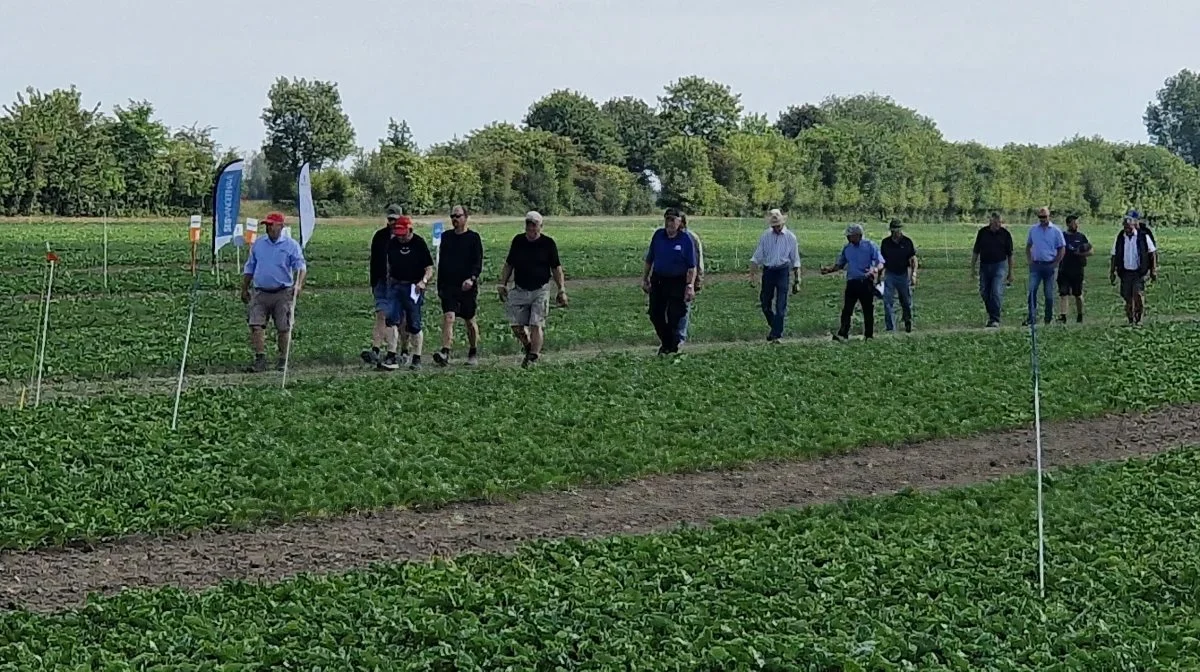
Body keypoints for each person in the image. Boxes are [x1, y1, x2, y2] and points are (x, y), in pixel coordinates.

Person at [497, 211, 568, 367]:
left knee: (536, 323)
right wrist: (502, 283)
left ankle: (533, 357)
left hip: (540, 289)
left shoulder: (548, 244)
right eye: (528, 224)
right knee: (516, 325)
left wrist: (561, 289)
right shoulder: (518, 241)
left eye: (534, 225)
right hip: (520, 289)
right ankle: (529, 347)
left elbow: (556, 268)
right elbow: (509, 264)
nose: (531, 228)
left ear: (540, 226)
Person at [240, 211, 307, 372]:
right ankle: (260, 359)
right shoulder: (259, 244)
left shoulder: (291, 245)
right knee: (256, 325)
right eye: (266, 225)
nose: (268, 228)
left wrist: (298, 285)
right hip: (260, 292)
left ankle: (283, 359)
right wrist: (244, 287)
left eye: (271, 225)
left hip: (282, 292)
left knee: (283, 327)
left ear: (281, 226)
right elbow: (250, 266)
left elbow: (301, 267)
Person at [433, 205, 484, 367]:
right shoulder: (446, 237)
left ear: (465, 217)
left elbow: (478, 262)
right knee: (449, 317)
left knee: (469, 320)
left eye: (458, 216)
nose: (455, 219)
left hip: (467, 286)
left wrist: (472, 279)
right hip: (449, 285)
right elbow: (442, 263)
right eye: (452, 216)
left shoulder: (473, 238)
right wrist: (440, 286)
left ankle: (473, 350)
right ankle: (445, 352)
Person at [381, 215, 434, 370]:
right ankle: (391, 355)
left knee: (414, 322)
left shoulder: (419, 243)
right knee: (391, 319)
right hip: (396, 285)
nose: (401, 237)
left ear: (410, 230)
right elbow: (389, 265)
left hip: (413, 288)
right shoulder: (392, 244)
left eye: (403, 234)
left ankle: (416, 358)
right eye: (398, 234)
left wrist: (423, 281)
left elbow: (429, 269)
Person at [642, 207, 698, 354]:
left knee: (675, 315)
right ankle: (667, 343)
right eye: (667, 219)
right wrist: (645, 278)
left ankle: (673, 347)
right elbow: (649, 259)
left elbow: (692, 266)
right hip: (659, 280)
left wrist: (690, 285)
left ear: (680, 222)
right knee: (655, 314)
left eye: (673, 219)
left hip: (677, 281)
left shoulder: (685, 239)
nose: (669, 223)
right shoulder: (658, 236)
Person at [821, 223, 884, 341]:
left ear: (858, 235)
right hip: (852, 282)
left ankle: (869, 335)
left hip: (865, 281)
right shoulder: (847, 248)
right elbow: (840, 264)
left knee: (867, 309)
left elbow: (880, 262)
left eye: (850, 236)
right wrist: (828, 270)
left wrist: (874, 269)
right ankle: (843, 333)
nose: (848, 238)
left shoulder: (870, 246)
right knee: (847, 310)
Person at [362, 204, 408, 366]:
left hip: (400, 282)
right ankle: (375, 349)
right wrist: (374, 282)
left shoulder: (406, 237)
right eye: (389, 220)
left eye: (395, 220)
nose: (392, 223)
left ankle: (404, 349)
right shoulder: (380, 236)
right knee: (381, 314)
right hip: (382, 282)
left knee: (400, 319)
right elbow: (374, 261)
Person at [749, 208, 801, 342]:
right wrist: (752, 276)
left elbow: (795, 260)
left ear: (783, 223)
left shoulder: (790, 237)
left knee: (780, 305)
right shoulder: (765, 236)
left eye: (778, 225)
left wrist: (797, 279)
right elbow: (757, 256)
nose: (776, 228)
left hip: (783, 271)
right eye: (774, 226)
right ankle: (776, 327)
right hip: (769, 271)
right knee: (765, 303)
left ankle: (776, 334)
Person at [1109, 214, 1158, 325]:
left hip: (1139, 271)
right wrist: (1112, 271)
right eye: (1125, 227)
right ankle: (1131, 319)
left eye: (1129, 227)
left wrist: (1153, 270)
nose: (1127, 230)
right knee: (1127, 297)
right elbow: (1114, 255)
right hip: (1125, 272)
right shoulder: (1120, 237)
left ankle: (1139, 318)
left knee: (1138, 294)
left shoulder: (1143, 236)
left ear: (1134, 226)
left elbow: (1152, 253)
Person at [1023, 206, 1066, 327]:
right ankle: (1031, 318)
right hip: (1036, 265)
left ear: (1049, 216)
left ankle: (1048, 319)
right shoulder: (1033, 230)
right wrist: (1030, 260)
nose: (1042, 219)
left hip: (1049, 265)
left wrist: (1056, 263)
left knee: (1048, 294)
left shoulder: (1056, 231)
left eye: (1044, 217)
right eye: (1040, 217)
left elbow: (1062, 248)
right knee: (1032, 291)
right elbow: (1028, 246)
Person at [972, 212, 1015, 328]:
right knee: (984, 292)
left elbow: (1010, 254)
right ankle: (992, 314)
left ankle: (995, 318)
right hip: (984, 266)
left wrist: (1011, 272)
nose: (998, 225)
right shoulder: (982, 233)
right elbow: (976, 250)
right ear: (990, 221)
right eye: (996, 222)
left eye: (1000, 222)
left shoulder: (1005, 234)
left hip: (999, 266)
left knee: (995, 291)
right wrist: (972, 267)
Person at [879, 219, 918, 333]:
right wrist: (879, 276)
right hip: (889, 274)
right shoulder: (885, 243)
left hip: (903, 274)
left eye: (898, 229)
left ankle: (908, 322)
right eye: (893, 229)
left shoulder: (907, 242)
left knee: (906, 301)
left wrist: (914, 274)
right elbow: (882, 260)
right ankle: (891, 328)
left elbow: (913, 259)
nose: (896, 232)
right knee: (887, 301)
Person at [1056, 214, 1092, 323]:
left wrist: (1080, 253)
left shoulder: (1081, 237)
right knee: (1063, 293)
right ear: (1068, 224)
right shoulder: (1062, 236)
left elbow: (1091, 251)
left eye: (1077, 222)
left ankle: (1080, 315)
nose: (1076, 225)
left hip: (1077, 270)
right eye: (1073, 223)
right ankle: (1063, 316)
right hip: (1064, 269)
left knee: (1078, 294)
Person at [676, 213, 704, 346]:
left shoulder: (691, 237)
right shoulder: (667, 236)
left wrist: (698, 280)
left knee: (683, 309)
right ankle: (670, 339)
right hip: (668, 278)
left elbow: (699, 261)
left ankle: (680, 339)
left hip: (687, 278)